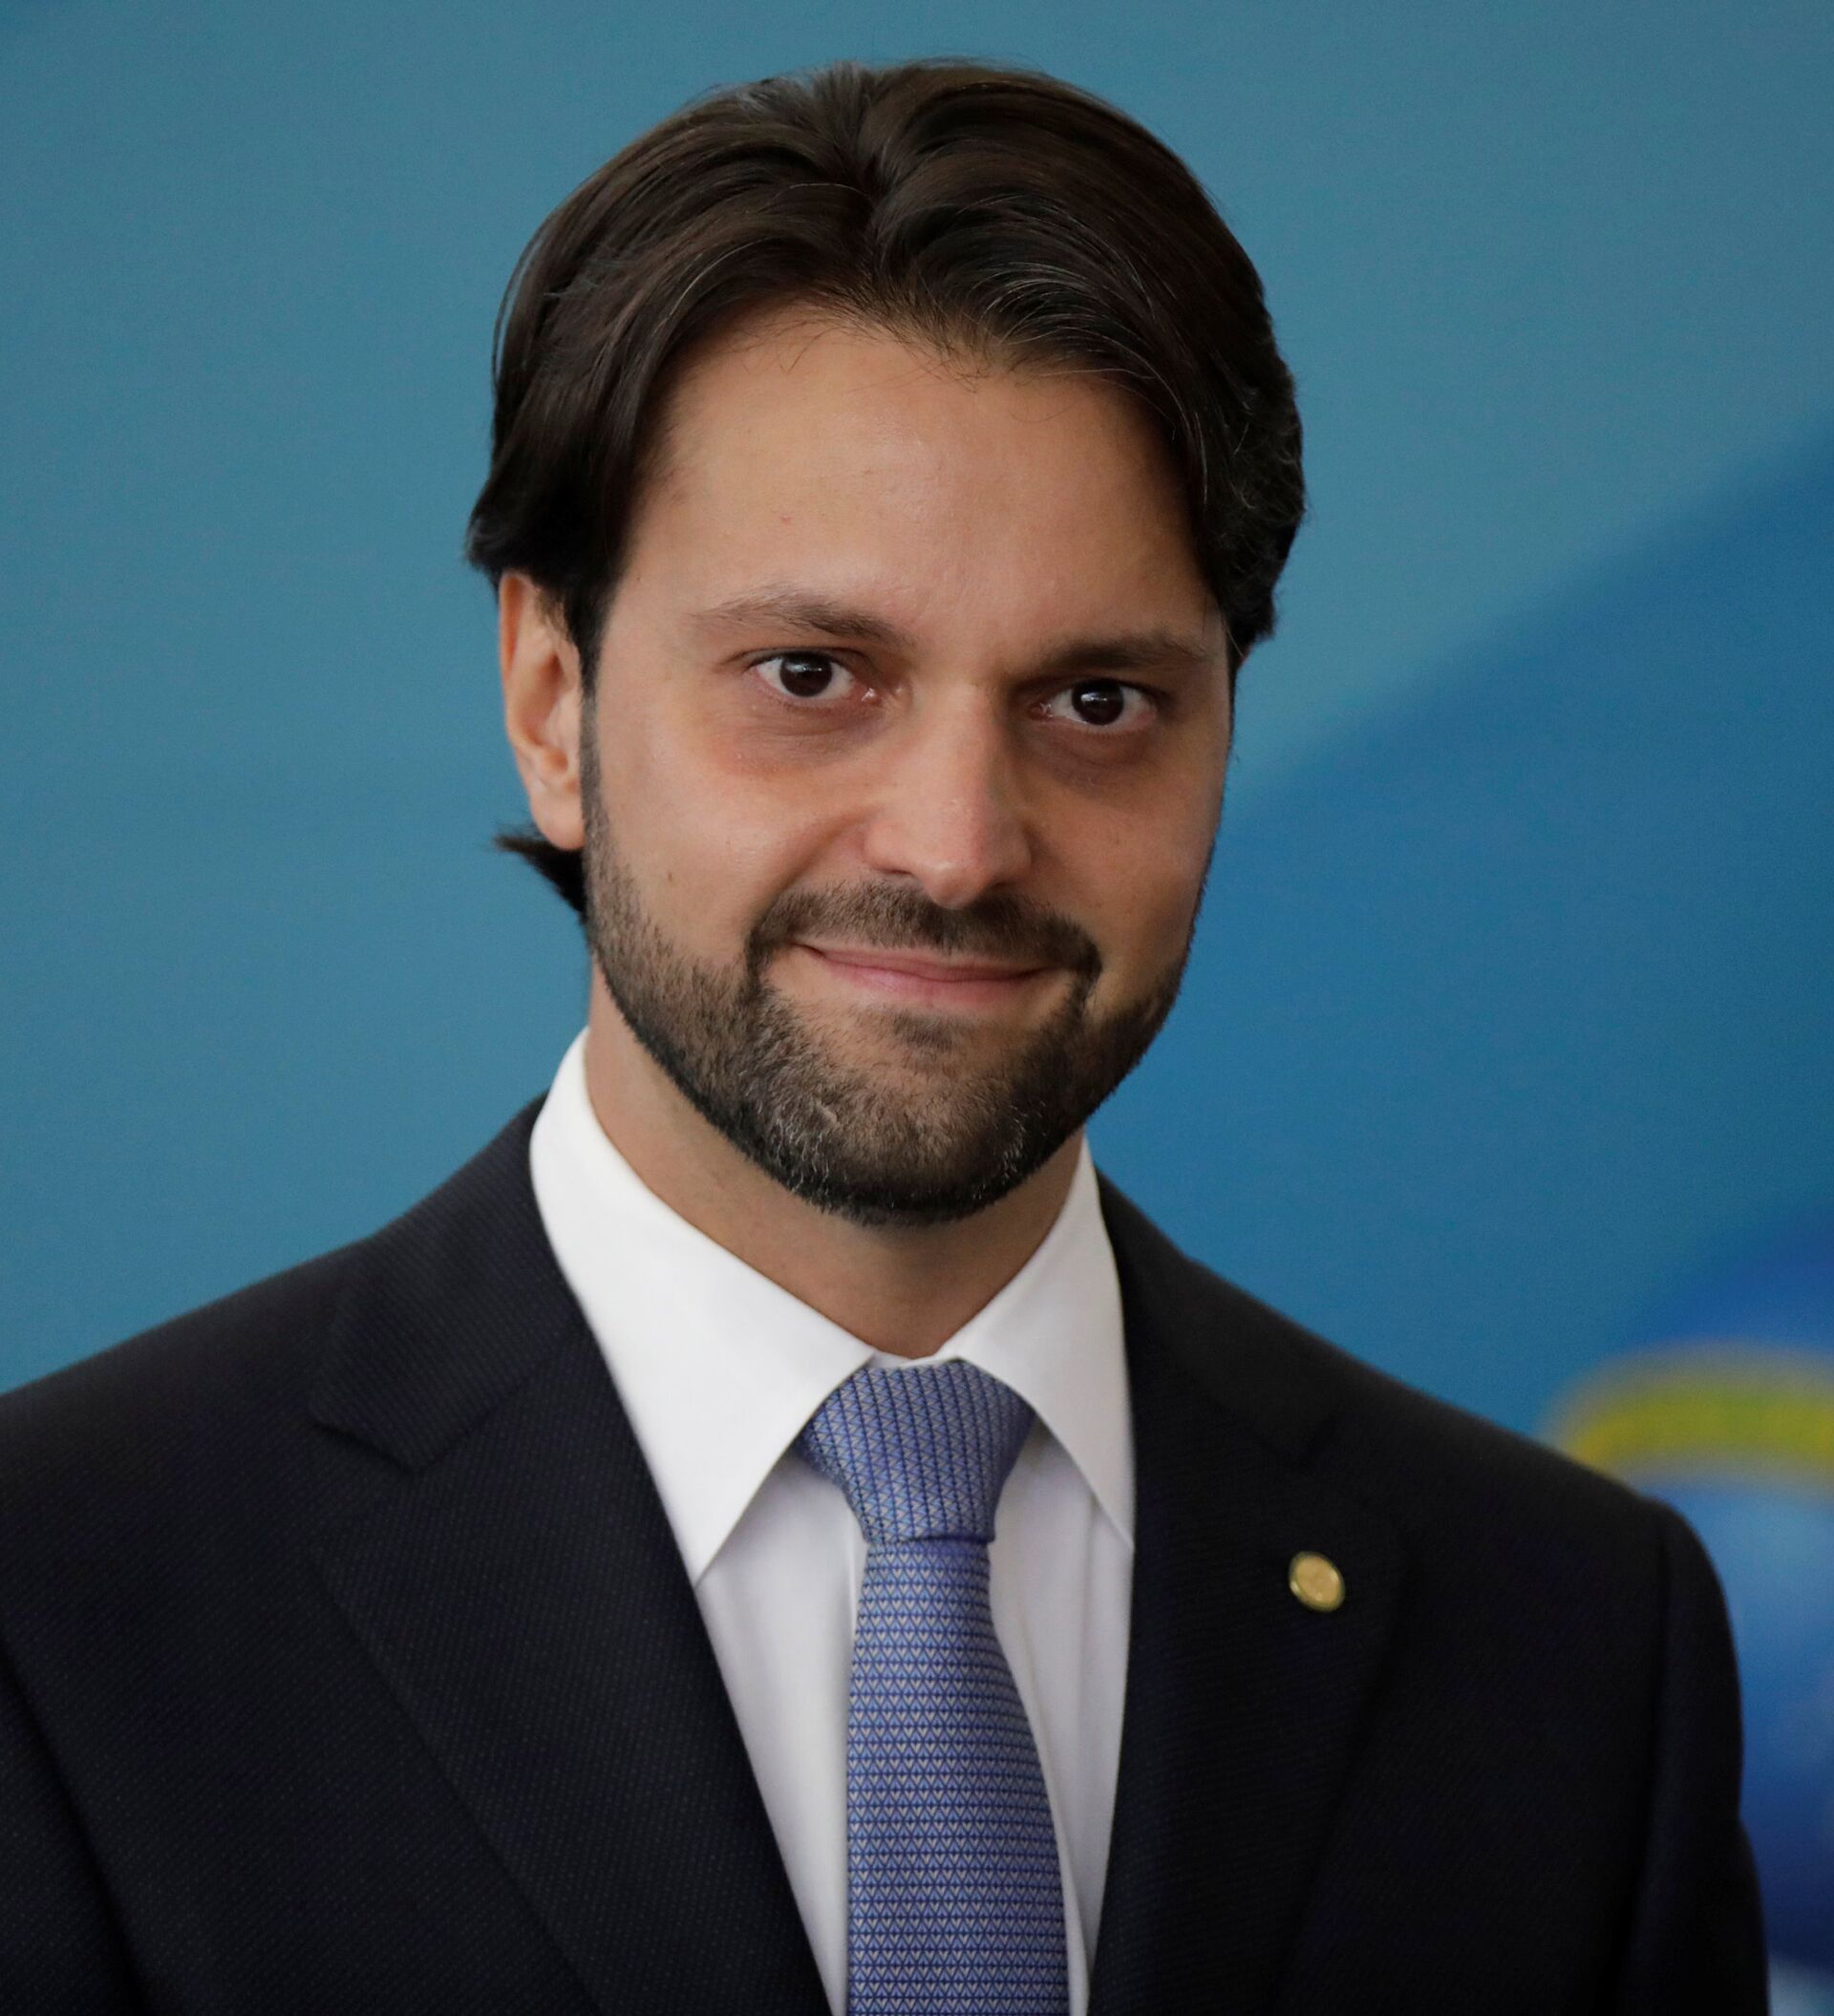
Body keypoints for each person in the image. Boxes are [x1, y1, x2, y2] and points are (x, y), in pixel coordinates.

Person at [0, 56, 1765, 2016]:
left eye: (1097, 702)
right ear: (552, 700)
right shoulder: (60, 1609)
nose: (956, 846)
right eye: (812, 674)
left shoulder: (1577, 1642)